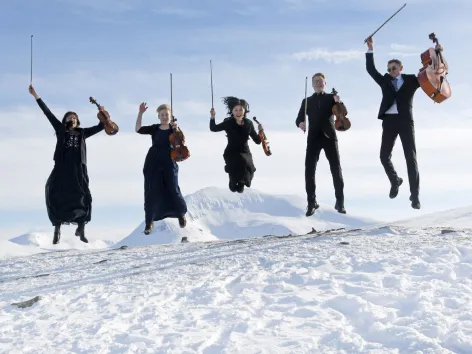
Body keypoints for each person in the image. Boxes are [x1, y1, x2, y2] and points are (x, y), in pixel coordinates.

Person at [28, 84, 105, 244]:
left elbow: (102, 127)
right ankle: (57, 230)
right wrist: (36, 96)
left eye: (74, 117)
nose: (72, 118)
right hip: (62, 168)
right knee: (55, 193)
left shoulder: (82, 132)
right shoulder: (60, 129)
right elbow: (47, 112)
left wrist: (103, 113)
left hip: (78, 169)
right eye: (69, 117)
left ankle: (81, 229)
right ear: (65, 120)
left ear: (77, 121)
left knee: (82, 197)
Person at [365, 36, 435, 209]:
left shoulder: (412, 79)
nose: (391, 71)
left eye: (394, 68)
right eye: (389, 69)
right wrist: (370, 48)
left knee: (410, 158)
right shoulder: (385, 81)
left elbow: (430, 72)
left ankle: (415, 196)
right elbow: (371, 69)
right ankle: (395, 180)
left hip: (405, 122)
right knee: (383, 156)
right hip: (389, 121)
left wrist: (437, 53)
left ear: (401, 68)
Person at [295, 73, 346, 216]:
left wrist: (338, 102)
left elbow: (341, 113)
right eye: (315, 81)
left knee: (336, 169)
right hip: (313, 138)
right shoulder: (306, 101)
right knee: (309, 170)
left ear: (325, 83)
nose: (318, 83)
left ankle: (340, 202)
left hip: (330, 137)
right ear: (312, 84)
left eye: (320, 81)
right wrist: (301, 123)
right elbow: (299, 118)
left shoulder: (331, 97)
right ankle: (311, 203)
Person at [135, 102, 188, 235]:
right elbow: (138, 129)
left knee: (173, 188)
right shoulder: (154, 128)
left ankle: (181, 214)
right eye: (162, 114)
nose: (164, 116)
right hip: (153, 161)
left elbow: (182, 142)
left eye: (167, 114)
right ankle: (149, 222)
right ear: (158, 116)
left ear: (170, 116)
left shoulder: (174, 128)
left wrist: (177, 129)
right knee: (150, 191)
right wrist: (140, 113)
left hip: (169, 160)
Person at [209, 96, 265, 193]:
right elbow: (213, 128)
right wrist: (213, 116)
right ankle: (232, 182)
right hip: (232, 152)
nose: (238, 112)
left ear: (244, 111)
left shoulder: (248, 123)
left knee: (249, 169)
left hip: (245, 151)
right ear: (232, 111)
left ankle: (242, 182)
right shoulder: (229, 123)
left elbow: (257, 141)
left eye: (240, 110)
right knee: (238, 167)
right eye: (236, 110)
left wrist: (261, 131)